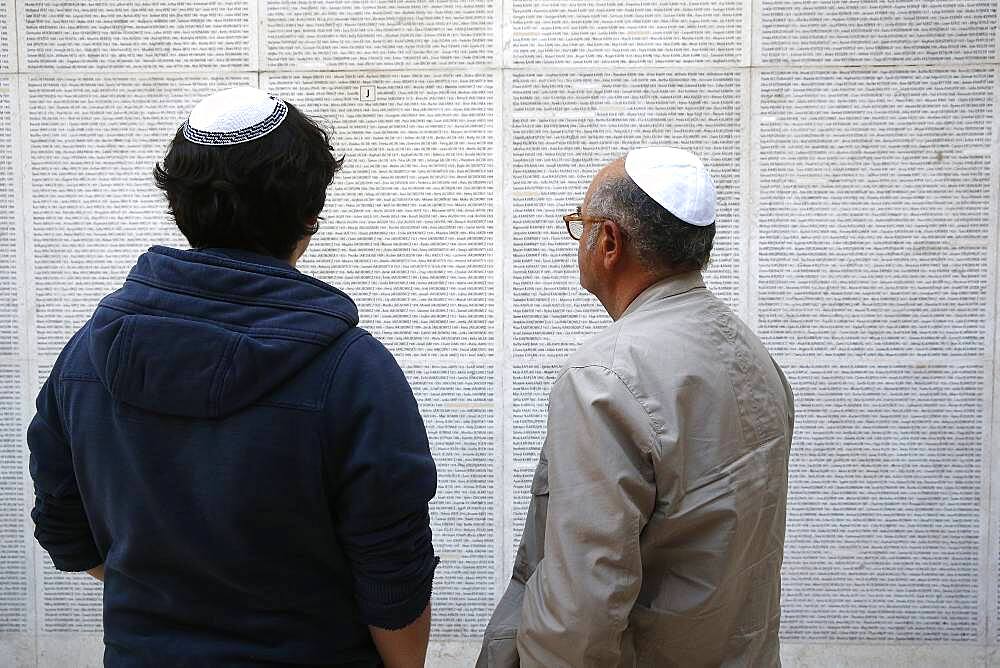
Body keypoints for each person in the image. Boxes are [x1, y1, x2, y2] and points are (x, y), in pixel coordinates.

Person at [27, 87, 438, 668]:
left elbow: (65, 530)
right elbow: (393, 580)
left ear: (179, 204)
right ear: (309, 214)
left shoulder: (84, 357)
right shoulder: (354, 370)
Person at [479, 147, 794, 667]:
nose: (576, 237)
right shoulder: (754, 354)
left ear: (608, 242)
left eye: (579, 223)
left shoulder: (603, 379)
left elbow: (578, 615)